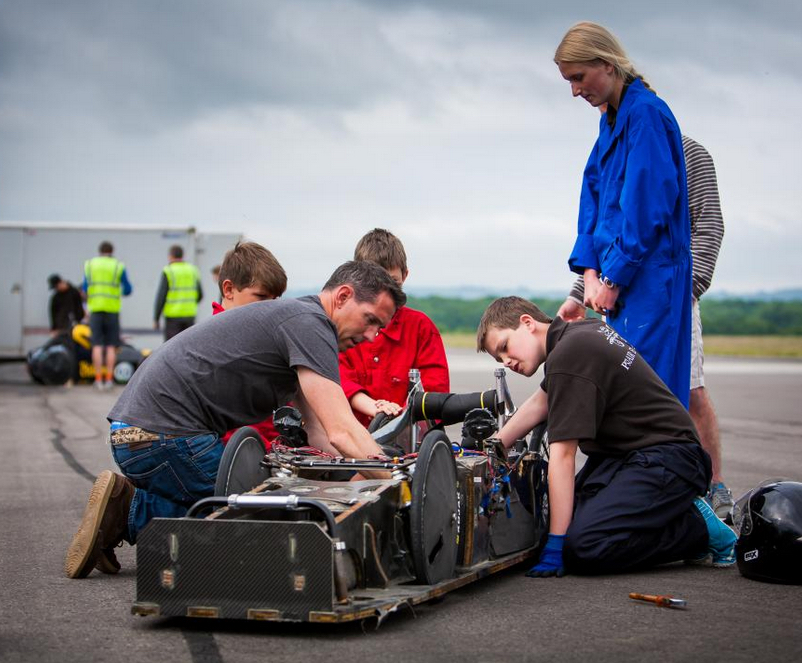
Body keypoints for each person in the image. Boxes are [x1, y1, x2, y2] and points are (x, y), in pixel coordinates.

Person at [64, 260, 405, 579]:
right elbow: (343, 431)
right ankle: (129, 513)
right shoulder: (311, 324)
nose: (373, 335)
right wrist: (402, 487)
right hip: (165, 439)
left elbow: (320, 431)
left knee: (270, 504)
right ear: (343, 296)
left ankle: (128, 510)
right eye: (371, 319)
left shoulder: (299, 320)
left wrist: (348, 472)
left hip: (139, 435)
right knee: (275, 523)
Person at [476, 296, 737, 577]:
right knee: (556, 520)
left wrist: (556, 544)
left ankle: (696, 527)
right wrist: (492, 447)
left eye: (504, 347)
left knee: (583, 547)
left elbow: (563, 456)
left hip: (670, 458)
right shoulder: (575, 336)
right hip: (629, 456)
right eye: (498, 358)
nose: (506, 361)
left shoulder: (568, 354)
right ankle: (668, 509)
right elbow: (541, 403)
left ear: (527, 323)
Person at [558, 134, 732, 516]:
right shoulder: (616, 156)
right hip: (616, 297)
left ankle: (714, 488)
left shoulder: (689, 153)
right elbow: (609, 235)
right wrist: (577, 293)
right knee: (628, 392)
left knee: (689, 390)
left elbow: (709, 226)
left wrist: (687, 291)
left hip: (670, 291)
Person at [554, 22, 693, 407]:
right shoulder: (611, 120)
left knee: (650, 391)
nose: (576, 90)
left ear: (608, 64)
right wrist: (590, 273)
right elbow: (592, 199)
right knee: (623, 386)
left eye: (579, 77)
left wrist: (613, 276)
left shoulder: (645, 114)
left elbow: (648, 204)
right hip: (620, 281)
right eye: (569, 81)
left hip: (649, 275)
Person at [340, 229, 450, 426]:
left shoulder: (421, 328)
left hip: (408, 444)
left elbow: (435, 395)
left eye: (393, 283)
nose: (384, 295)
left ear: (405, 275)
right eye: (373, 285)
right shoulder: (341, 326)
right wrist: (370, 406)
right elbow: (334, 380)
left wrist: (400, 420)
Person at [212, 241, 288, 449]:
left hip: (265, 446)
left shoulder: (259, 338)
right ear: (229, 290)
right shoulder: (219, 345)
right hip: (240, 455)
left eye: (275, 299)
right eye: (261, 297)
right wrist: (276, 452)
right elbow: (230, 427)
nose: (269, 307)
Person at [81, 241, 132, 390]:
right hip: (112, 310)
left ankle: (98, 380)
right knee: (111, 345)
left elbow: (85, 288)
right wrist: (116, 293)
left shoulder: (90, 265)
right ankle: (109, 379)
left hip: (95, 309)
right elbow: (128, 289)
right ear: (112, 251)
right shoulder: (118, 266)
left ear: (99, 251)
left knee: (96, 345)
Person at [153, 245, 203, 341]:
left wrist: (156, 318)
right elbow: (200, 294)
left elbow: (161, 297)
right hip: (189, 315)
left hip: (173, 316)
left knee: (171, 347)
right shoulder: (193, 270)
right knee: (188, 345)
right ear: (182, 255)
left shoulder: (169, 270)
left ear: (170, 256)